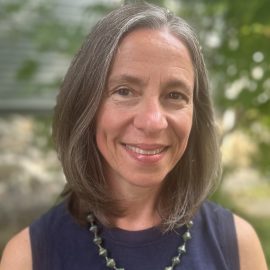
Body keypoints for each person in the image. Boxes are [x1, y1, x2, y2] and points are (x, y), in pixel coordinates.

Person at [0, 2, 267, 270]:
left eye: (175, 95)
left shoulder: (238, 247)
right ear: (85, 105)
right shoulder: (27, 257)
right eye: (124, 91)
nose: (152, 121)